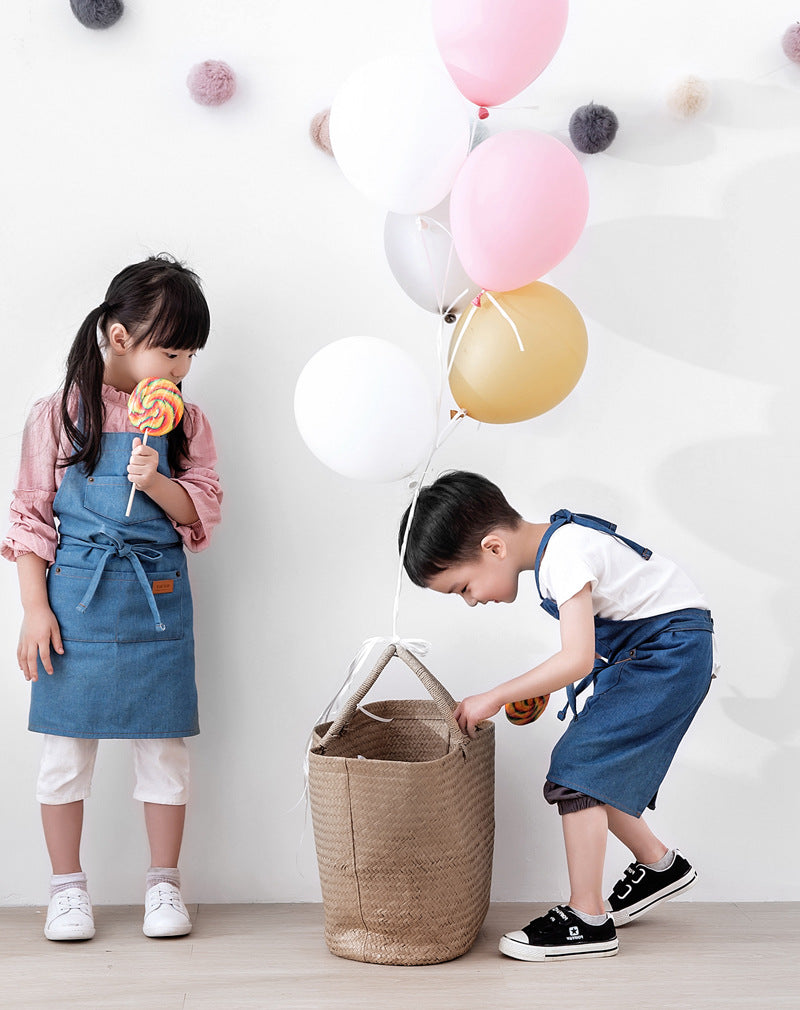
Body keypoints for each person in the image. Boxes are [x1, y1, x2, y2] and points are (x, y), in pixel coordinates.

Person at [398, 471, 715, 962]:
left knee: (578, 763)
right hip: (658, 650)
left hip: (667, 654)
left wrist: (495, 696)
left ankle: (588, 918)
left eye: (462, 587)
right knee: (591, 769)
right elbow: (586, 644)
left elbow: (577, 659)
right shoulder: (561, 546)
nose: (472, 600)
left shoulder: (563, 555)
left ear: (494, 548)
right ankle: (659, 866)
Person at [2, 255, 222, 941]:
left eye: (190, 352)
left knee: (165, 749)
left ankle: (164, 884)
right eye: (172, 349)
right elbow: (30, 520)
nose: (182, 366)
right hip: (77, 603)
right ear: (120, 338)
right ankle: (66, 888)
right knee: (66, 751)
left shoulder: (185, 421)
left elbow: (202, 512)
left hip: (156, 599)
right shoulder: (59, 414)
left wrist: (156, 480)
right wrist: (36, 609)